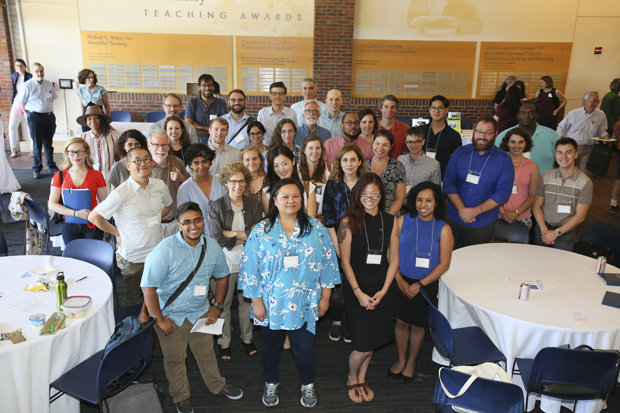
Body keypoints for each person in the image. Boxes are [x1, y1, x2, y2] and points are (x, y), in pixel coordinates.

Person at [240, 178, 340, 408]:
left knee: (305, 349)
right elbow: (249, 267)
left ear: (302, 200)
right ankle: (271, 382)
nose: (291, 201)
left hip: (305, 303)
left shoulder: (316, 228)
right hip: (270, 303)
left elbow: (328, 263)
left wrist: (325, 297)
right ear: (274, 200)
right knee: (270, 348)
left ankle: (307, 383)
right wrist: (256, 302)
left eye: (296, 196)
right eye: (284, 196)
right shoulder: (261, 230)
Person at [141, 202, 243, 413]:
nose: (193, 226)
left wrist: (217, 305)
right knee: (175, 359)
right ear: (179, 225)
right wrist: (160, 320)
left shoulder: (212, 247)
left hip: (200, 311)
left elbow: (222, 276)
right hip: (171, 315)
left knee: (206, 352)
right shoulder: (165, 249)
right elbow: (148, 288)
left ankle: (217, 386)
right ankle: (181, 398)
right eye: (186, 222)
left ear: (203, 221)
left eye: (197, 220)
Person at [338, 173, 399, 403]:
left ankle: (363, 375)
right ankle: (352, 376)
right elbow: (345, 262)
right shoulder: (348, 222)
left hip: (382, 289)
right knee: (362, 345)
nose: (369, 198)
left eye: (374, 193)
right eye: (364, 193)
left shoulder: (391, 220)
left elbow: (394, 260)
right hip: (357, 289)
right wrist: (358, 293)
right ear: (357, 195)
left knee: (374, 338)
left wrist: (384, 291)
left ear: (381, 194)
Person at [88, 147, 173, 307]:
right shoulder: (121, 193)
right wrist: (116, 233)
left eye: (147, 159)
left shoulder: (159, 185)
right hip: (133, 257)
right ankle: (134, 330)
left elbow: (168, 205)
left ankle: (154, 328)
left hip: (156, 253)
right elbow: (94, 217)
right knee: (132, 301)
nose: (143, 164)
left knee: (157, 296)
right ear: (128, 165)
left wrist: (153, 220)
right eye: (137, 160)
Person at [389, 182, 453, 383]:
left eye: (428, 200)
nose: (423, 204)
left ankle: (411, 363)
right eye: (419, 199)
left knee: (417, 326)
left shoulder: (444, 229)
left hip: (426, 284)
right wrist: (398, 278)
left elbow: (444, 264)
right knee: (400, 322)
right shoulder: (401, 221)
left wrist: (420, 285)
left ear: (436, 204)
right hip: (400, 279)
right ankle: (401, 359)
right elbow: (391, 252)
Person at [209, 162, 263, 361]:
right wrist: (242, 236)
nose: (237, 185)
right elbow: (217, 237)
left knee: (246, 302)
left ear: (246, 182)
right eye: (233, 181)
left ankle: (247, 339)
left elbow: (257, 235)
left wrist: (232, 234)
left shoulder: (254, 205)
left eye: (241, 181)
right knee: (222, 303)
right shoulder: (216, 205)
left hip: (249, 261)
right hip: (223, 263)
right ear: (225, 182)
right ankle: (224, 342)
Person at [322, 144, 370, 342]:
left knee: (358, 281)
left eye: (353, 159)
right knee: (338, 282)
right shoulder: (333, 185)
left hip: (361, 240)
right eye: (345, 160)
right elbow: (328, 215)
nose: (349, 164)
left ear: (360, 162)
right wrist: (336, 245)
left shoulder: (367, 184)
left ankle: (353, 321)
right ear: (339, 163)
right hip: (337, 241)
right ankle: (336, 321)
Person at [443, 117, 514, 249]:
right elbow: (449, 183)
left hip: (481, 222)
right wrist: (462, 210)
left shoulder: (504, 160)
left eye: (488, 132)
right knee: (447, 258)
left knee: (474, 262)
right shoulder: (460, 152)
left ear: (495, 134)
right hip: (453, 217)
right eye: (479, 131)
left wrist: (475, 211)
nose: (482, 136)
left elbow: (502, 194)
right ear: (474, 132)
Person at [532, 138, 592, 251]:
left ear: (576, 154)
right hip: (542, 229)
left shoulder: (585, 183)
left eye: (568, 152)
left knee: (561, 266)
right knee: (537, 264)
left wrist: (556, 233)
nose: (563, 156)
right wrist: (545, 231)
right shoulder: (545, 177)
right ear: (555, 155)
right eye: (560, 152)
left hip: (565, 234)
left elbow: (580, 216)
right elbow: (536, 206)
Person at [48, 138, 107, 244]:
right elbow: (52, 204)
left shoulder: (97, 175)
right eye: (71, 152)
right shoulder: (60, 176)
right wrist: (76, 213)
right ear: (67, 154)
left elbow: (104, 203)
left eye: (80, 151)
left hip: (92, 222)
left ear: (86, 153)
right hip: (68, 223)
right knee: (72, 257)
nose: (76, 155)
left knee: (93, 256)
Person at [17, 62, 59, 179]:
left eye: (41, 71)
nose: (39, 73)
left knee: (48, 143)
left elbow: (52, 99)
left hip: (49, 117)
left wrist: (46, 110)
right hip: (35, 117)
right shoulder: (27, 85)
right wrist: (29, 115)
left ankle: (51, 165)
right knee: (37, 145)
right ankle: (37, 168)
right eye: (37, 71)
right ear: (32, 72)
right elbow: (21, 103)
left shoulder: (49, 84)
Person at [495, 101, 560, 174]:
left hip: (544, 183)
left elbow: (561, 161)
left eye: (531, 113)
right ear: (518, 115)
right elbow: (495, 162)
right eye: (523, 113)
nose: (526, 115)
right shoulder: (504, 136)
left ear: (537, 115)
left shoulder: (552, 135)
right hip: (512, 183)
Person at [177, 143, 227, 237]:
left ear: (210, 162)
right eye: (196, 163)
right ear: (190, 165)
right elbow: (183, 219)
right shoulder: (184, 189)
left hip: (224, 236)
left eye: (204, 161)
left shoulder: (221, 182)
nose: (201, 166)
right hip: (197, 239)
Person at [148, 129, 190, 238]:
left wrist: (181, 178)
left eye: (164, 145)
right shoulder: (143, 167)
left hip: (174, 223)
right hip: (151, 225)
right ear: (149, 146)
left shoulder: (176, 162)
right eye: (156, 145)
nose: (161, 149)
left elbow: (191, 187)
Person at [557, 91, 608, 176]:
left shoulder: (600, 115)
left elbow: (602, 130)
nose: (595, 103)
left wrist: (605, 136)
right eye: (593, 100)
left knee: (586, 175)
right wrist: (560, 141)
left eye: (597, 101)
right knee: (568, 171)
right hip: (573, 147)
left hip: (589, 148)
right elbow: (561, 128)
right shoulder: (573, 114)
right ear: (585, 101)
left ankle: (581, 189)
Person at [498, 128, 540, 230]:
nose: (516, 146)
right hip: (497, 215)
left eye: (520, 142)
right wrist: (503, 212)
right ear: (507, 143)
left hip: (522, 217)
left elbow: (533, 195)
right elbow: (490, 190)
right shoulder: (498, 163)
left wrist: (516, 213)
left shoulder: (533, 166)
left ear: (526, 143)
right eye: (513, 142)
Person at [261, 146, 317, 217]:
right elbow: (270, 221)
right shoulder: (267, 192)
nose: (281, 169)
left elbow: (312, 221)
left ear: (293, 161)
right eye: (276, 166)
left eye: (284, 164)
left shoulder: (308, 187)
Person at [398, 127, 441, 210]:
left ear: (423, 142)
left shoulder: (434, 164)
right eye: (410, 142)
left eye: (417, 141)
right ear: (406, 143)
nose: (414, 145)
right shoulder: (400, 160)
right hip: (401, 207)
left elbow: (436, 192)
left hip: (423, 208)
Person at [420, 95, 462, 179]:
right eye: (433, 108)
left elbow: (456, 161)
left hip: (442, 177)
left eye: (441, 108)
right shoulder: (420, 131)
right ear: (429, 109)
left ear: (447, 110)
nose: (436, 111)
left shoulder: (454, 135)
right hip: (420, 175)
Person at [366, 130, 406, 215]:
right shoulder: (362, 164)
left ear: (391, 147)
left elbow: (399, 198)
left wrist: (387, 219)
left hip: (390, 214)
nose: (380, 148)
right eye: (377, 143)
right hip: (365, 214)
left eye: (385, 145)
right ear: (372, 144)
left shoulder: (398, 166)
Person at [77, 105, 119, 183]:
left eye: (96, 118)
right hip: (88, 176)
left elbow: (117, 158)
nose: (93, 121)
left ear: (102, 120)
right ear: (86, 121)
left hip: (108, 177)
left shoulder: (113, 137)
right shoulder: (82, 137)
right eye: (89, 118)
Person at [185, 74, 228, 141]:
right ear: (199, 87)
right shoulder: (192, 103)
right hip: (197, 144)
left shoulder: (221, 103)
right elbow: (188, 128)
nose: (207, 88)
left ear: (213, 87)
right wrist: (213, 132)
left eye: (209, 85)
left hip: (216, 144)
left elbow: (223, 126)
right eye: (204, 85)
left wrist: (199, 126)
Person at [298, 135, 331, 220]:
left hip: (324, 218)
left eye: (317, 148)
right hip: (301, 218)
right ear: (304, 150)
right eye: (310, 148)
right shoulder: (295, 170)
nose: (314, 151)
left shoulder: (331, 169)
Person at [257, 82, 297, 146]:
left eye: (280, 93)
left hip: (286, 150)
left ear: (284, 96)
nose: (277, 96)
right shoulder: (262, 113)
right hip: (267, 150)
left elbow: (294, 134)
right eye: (274, 93)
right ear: (270, 96)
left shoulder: (292, 113)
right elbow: (258, 133)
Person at [8, 58, 32, 158]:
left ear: (25, 66)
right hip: (16, 101)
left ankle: (33, 149)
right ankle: (13, 148)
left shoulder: (30, 76)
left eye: (21, 65)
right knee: (12, 126)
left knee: (31, 126)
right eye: (17, 65)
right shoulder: (14, 75)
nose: (19, 67)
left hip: (28, 103)